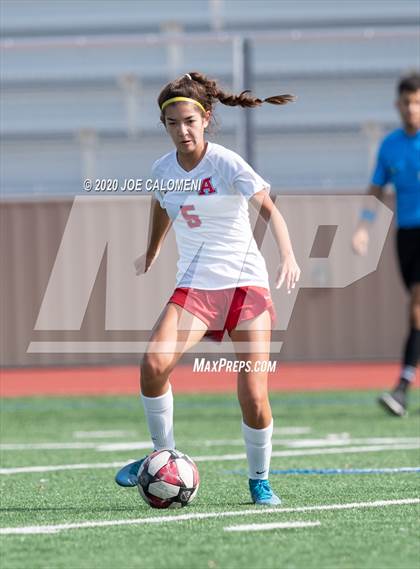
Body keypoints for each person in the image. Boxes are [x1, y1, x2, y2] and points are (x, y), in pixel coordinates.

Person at [115, 71, 300, 505]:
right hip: (196, 286)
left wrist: (288, 255)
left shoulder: (227, 163)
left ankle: (260, 479)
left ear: (206, 118)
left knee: (254, 392)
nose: (182, 131)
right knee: (153, 363)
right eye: (173, 123)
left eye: (189, 121)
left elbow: (270, 211)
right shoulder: (162, 170)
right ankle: (163, 453)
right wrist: (152, 250)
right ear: (164, 126)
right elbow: (161, 205)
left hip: (244, 286)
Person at [352, 72, 420, 416]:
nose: (412, 109)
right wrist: (364, 227)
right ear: (398, 105)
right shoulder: (390, 145)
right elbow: (377, 189)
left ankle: (403, 388)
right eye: (407, 103)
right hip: (406, 236)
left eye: (417, 103)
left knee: (417, 309)